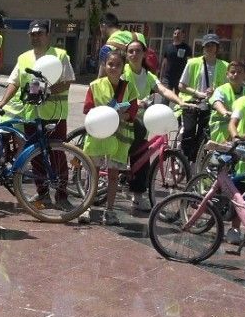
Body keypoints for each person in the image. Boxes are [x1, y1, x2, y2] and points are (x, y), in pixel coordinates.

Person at [0, 20, 75, 209]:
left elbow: (68, 81)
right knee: (35, 156)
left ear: (48, 35)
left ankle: (62, 196)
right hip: (31, 114)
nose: (35, 36)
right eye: (32, 33)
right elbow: (14, 82)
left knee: (57, 155)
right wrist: (2, 103)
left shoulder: (60, 55)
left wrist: (48, 91)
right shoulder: (23, 58)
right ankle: (42, 194)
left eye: (39, 33)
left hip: (54, 114)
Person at [122, 40, 189, 212]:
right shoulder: (123, 72)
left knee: (143, 156)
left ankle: (137, 196)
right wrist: (135, 103)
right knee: (136, 153)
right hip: (124, 119)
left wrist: (180, 101)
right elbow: (118, 94)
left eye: (137, 51)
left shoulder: (148, 75)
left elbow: (163, 90)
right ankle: (125, 183)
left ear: (144, 54)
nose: (134, 54)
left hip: (142, 120)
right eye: (130, 51)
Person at [80, 48, 137, 225]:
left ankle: (110, 210)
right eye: (110, 64)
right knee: (93, 173)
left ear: (123, 67)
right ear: (104, 65)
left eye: (117, 65)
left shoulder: (128, 86)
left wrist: (123, 116)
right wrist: (102, 114)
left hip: (119, 136)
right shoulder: (95, 85)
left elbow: (133, 107)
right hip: (98, 134)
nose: (113, 68)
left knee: (113, 176)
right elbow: (87, 108)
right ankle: (87, 207)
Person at [177, 33, 228, 162]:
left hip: (210, 106)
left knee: (203, 135)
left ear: (217, 47)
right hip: (192, 103)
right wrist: (196, 93)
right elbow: (181, 86)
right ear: (203, 47)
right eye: (207, 45)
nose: (209, 48)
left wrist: (215, 92)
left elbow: (226, 89)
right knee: (188, 131)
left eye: (212, 45)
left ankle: (194, 161)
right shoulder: (193, 63)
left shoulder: (224, 66)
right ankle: (182, 159)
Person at [160, 28, 191, 93]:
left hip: (181, 78)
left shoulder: (186, 48)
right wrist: (161, 76)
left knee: (179, 100)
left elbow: (189, 63)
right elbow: (164, 63)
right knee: (165, 99)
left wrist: (188, 78)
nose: (176, 35)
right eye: (175, 33)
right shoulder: (168, 47)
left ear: (183, 35)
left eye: (179, 33)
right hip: (167, 78)